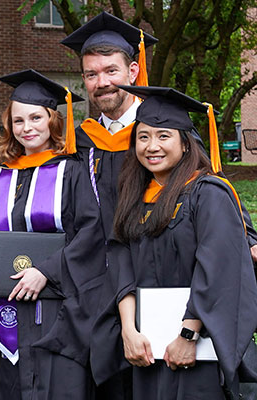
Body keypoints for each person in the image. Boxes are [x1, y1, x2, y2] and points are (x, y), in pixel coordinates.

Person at [92, 86, 257, 399]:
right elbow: (121, 264)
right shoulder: (133, 199)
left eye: (163, 136)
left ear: (185, 142)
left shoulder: (208, 194)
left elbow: (217, 271)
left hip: (199, 351)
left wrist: (188, 335)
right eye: (143, 137)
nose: (152, 146)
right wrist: (129, 330)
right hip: (147, 348)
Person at [0, 69, 106, 399]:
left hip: (57, 304)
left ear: (52, 120)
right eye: (19, 121)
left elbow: (91, 232)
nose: (28, 128)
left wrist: (46, 272)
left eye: (36, 118)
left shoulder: (72, 170)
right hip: (7, 303)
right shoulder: (0, 175)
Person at [61, 10, 157, 240]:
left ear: (133, 71)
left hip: (152, 261)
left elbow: (206, 183)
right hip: (95, 264)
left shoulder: (164, 131)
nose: (102, 83)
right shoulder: (81, 141)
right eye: (91, 74)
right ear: (84, 79)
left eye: (111, 71)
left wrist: (249, 238)